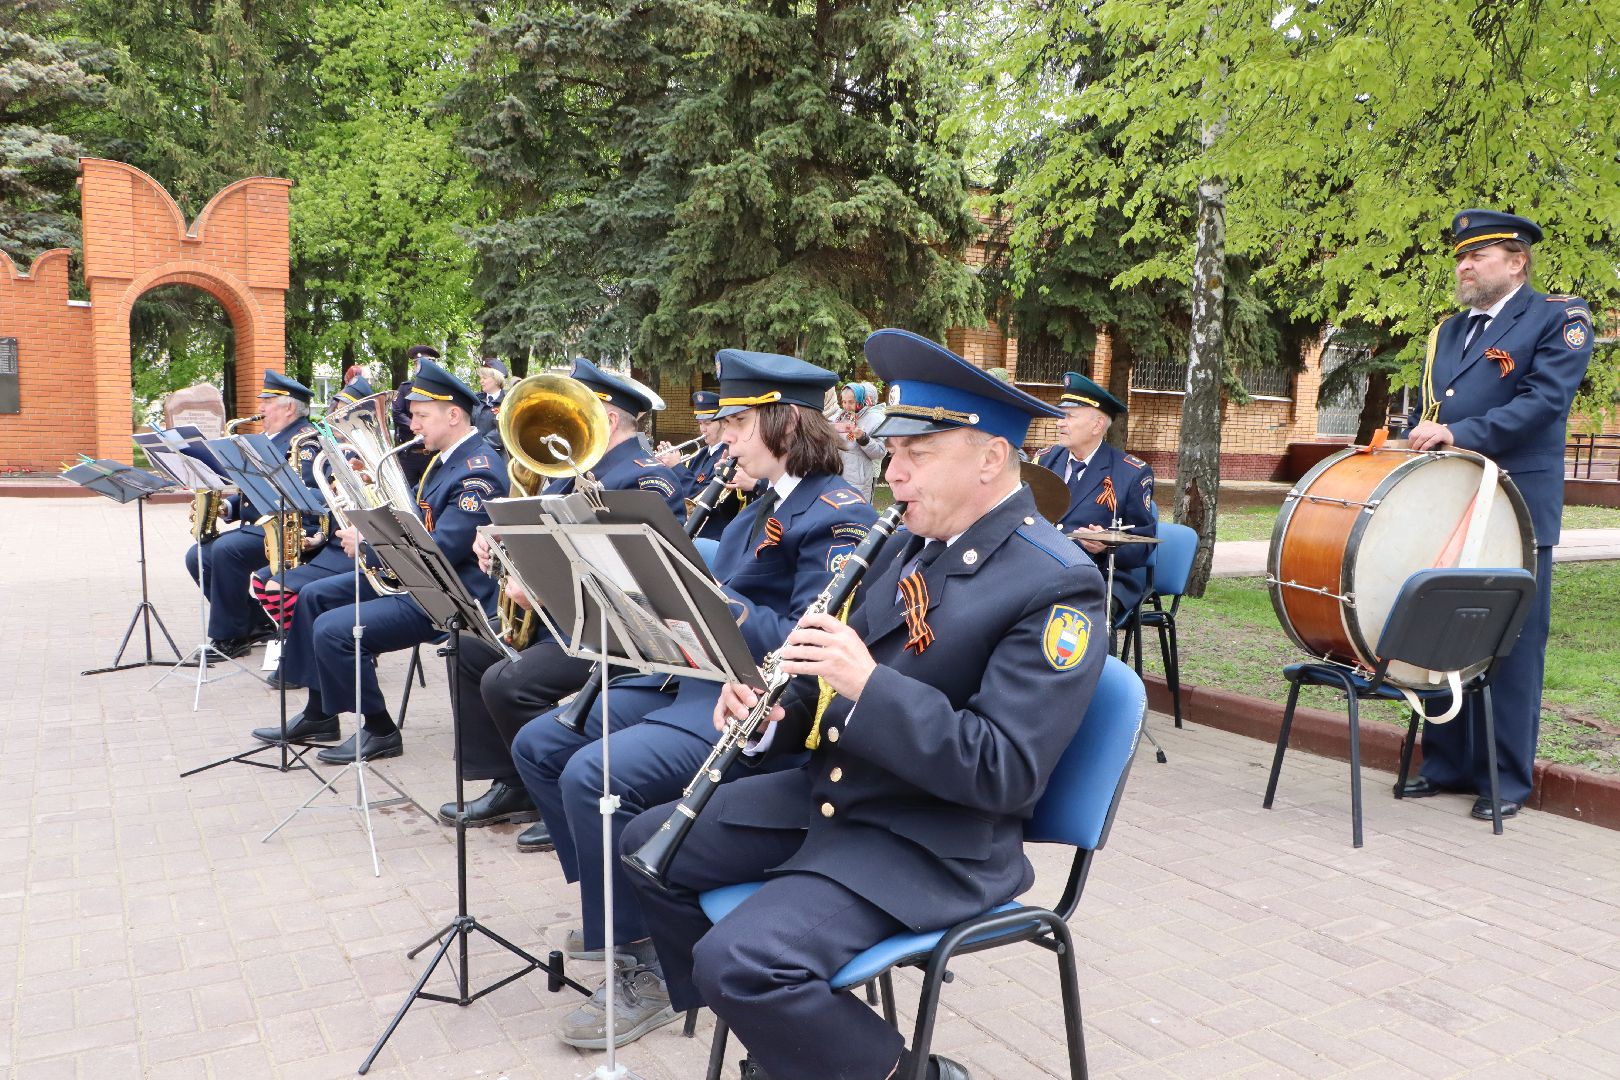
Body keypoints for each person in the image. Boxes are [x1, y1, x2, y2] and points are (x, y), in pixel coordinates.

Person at [619, 328, 1107, 1080]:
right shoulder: (906, 545)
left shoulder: (1055, 584)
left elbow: (1004, 771)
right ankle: (794, 1049)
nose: (894, 473)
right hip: (841, 797)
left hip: (934, 840)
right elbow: (827, 684)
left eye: (917, 456)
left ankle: (909, 1074)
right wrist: (769, 719)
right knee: (648, 849)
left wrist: (868, 686)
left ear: (990, 459)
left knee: (742, 962)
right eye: (890, 454)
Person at [512, 349, 878, 1051]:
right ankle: (615, 905)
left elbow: (814, 640)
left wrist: (709, 598)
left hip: (759, 707)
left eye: (739, 423)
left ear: (782, 423)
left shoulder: (839, 515)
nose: (726, 436)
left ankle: (647, 961)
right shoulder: (761, 505)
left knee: (596, 773)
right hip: (697, 678)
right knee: (542, 745)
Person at [1401, 209, 1593, 821]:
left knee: (1511, 643)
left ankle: (1504, 780)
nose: (1464, 264)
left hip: (1517, 505)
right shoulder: (1449, 332)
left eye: (1478, 255)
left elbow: (1543, 404)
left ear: (1517, 262)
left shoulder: (1558, 318)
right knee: (1447, 629)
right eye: (1461, 255)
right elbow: (1438, 406)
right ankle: (1448, 765)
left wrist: (1456, 434)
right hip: (1456, 501)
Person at [440, 358, 686, 831]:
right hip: (566, 620)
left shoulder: (645, 479)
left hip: (615, 637)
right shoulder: (570, 471)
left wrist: (545, 592)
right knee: (468, 648)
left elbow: (643, 586)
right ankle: (512, 782)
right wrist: (498, 539)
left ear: (607, 419)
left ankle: (554, 797)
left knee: (508, 682)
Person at [249, 358, 505, 763]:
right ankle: (320, 714)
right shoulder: (447, 457)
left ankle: (380, 729)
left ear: (454, 415)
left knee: (335, 630)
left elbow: (440, 550)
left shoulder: (479, 470)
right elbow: (418, 525)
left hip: (450, 595)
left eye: (421, 416)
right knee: (315, 597)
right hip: (419, 579)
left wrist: (368, 546)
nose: (413, 425)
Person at [183, 370, 323, 659]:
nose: (260, 409)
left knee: (225, 550)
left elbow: (309, 496)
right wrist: (229, 507)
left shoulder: (305, 441)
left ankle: (230, 637)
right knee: (197, 555)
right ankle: (253, 622)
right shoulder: (270, 438)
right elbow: (253, 488)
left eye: (267, 402)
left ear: (288, 407)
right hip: (263, 525)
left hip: (296, 528)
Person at [249, 372, 376, 688]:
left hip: (360, 553)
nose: (335, 419)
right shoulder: (337, 453)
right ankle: (307, 651)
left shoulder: (369, 457)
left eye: (344, 414)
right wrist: (319, 535)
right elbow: (333, 508)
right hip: (334, 545)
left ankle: (307, 657)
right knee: (263, 581)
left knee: (281, 588)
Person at [1036, 372, 1157, 617]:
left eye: (1068, 416)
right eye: (1060, 415)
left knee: (1078, 613)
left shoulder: (1130, 473)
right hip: (1043, 569)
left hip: (1102, 576)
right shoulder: (1045, 461)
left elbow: (1143, 547)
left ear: (1097, 425)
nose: (1059, 422)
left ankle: (1098, 657)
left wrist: (1105, 546)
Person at [656, 390, 740, 541]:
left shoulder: (729, 457)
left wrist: (676, 467)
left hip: (713, 536)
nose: (703, 429)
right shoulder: (701, 454)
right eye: (700, 423)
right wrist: (666, 468)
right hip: (691, 531)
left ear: (723, 423)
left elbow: (702, 497)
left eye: (708, 423)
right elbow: (680, 491)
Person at [390, 344, 440, 488]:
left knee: (432, 495)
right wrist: (418, 427)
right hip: (409, 453)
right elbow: (397, 413)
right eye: (416, 364)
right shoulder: (405, 388)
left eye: (423, 364)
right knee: (406, 495)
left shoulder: (438, 389)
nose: (418, 367)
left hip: (432, 454)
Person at [833, 381, 886, 502]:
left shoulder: (875, 419)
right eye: (844, 402)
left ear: (861, 399)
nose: (846, 406)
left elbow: (879, 452)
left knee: (857, 515)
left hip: (859, 481)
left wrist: (863, 438)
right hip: (838, 477)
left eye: (851, 402)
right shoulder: (841, 416)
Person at [473, 356, 509, 459]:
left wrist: (479, 445)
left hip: (498, 457)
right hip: (474, 455)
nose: (481, 381)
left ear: (496, 379)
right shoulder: (476, 400)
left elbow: (503, 431)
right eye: (480, 378)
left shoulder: (507, 402)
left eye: (484, 378)